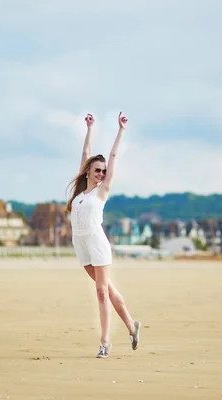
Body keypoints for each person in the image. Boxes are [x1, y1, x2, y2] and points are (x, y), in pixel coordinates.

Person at [66, 111, 141, 359]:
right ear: (88, 171)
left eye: (103, 171)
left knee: (100, 292)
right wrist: (89, 129)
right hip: (80, 244)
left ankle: (105, 342)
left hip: (97, 243)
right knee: (107, 289)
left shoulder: (102, 191)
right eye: (96, 170)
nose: (100, 174)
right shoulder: (79, 192)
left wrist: (121, 130)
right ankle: (132, 325)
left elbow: (114, 155)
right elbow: (86, 154)